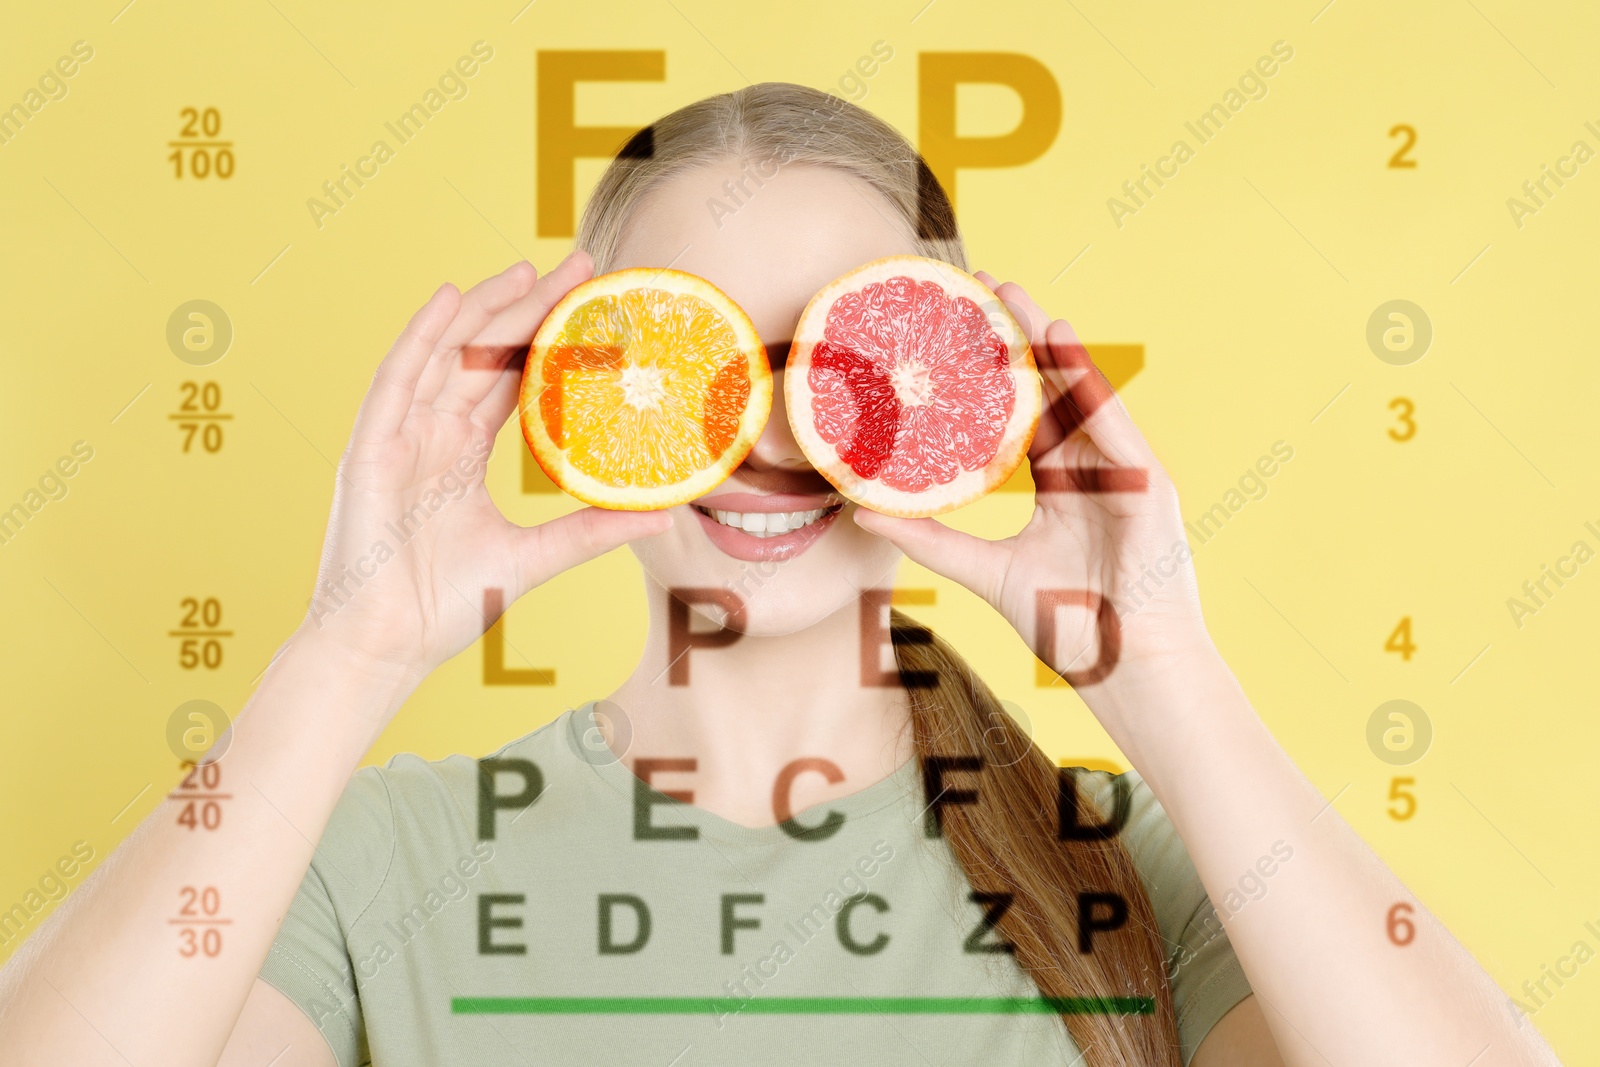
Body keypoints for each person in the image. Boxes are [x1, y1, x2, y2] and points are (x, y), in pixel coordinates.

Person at [0, 83, 1560, 1067]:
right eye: (682, 362)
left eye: (847, 362)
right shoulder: (374, 866)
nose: (766, 435)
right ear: (567, 395)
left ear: (964, 400)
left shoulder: (1139, 877)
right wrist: (344, 653)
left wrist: (1168, 679)